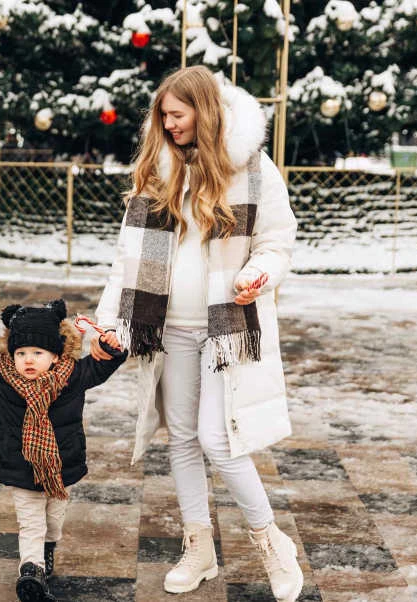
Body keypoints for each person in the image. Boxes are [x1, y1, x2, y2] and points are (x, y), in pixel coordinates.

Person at [92, 66, 302, 601]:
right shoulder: (157, 168)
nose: (168, 124)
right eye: (162, 115)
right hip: (169, 329)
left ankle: (270, 542)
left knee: (218, 437)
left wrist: (260, 273)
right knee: (182, 437)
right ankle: (199, 547)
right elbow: (128, 258)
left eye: (177, 115)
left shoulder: (251, 167)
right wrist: (109, 320)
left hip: (226, 326)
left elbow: (277, 240)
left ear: (204, 112)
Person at [0, 300, 127, 602]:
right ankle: (31, 570)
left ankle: (48, 547)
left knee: (52, 522)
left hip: (61, 468)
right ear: (11, 354)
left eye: (37, 353)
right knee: (31, 523)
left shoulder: (73, 376)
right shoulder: (2, 379)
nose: (28, 360)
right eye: (21, 353)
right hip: (20, 468)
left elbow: (102, 365)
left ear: (55, 356)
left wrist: (113, 349)